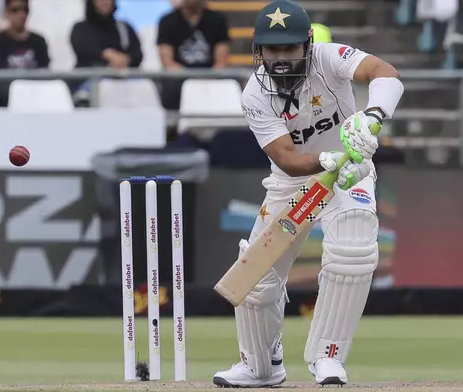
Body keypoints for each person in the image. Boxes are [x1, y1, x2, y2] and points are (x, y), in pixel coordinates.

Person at [212, 0, 404, 388]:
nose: (280, 59)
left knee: (353, 247)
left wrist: (372, 117)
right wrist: (332, 157)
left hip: (351, 176)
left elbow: (385, 73)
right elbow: (286, 158)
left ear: (308, 44)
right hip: (296, 181)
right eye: (272, 50)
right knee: (257, 278)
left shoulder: (330, 58)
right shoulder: (254, 95)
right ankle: (259, 366)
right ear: (257, 49)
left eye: (289, 48)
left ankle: (327, 358)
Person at [156, 0, 230, 109]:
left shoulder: (218, 20)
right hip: (179, 77)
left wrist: (207, 77)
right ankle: (173, 124)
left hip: (211, 75)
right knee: (170, 86)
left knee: (232, 83)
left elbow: (221, 62)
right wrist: (192, 78)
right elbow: (168, 62)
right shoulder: (167, 21)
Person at [69, 0, 142, 104]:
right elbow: (84, 49)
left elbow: (137, 54)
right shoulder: (80, 29)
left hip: (124, 78)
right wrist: (107, 55)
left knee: (145, 85)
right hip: (91, 80)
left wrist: (123, 60)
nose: (105, 2)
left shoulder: (124, 28)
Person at [0, 0, 50, 107]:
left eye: (25, 10)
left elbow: (44, 71)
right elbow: (0, 76)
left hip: (36, 98)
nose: (21, 15)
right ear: (6, 12)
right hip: (6, 101)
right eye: (15, 10)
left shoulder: (39, 41)